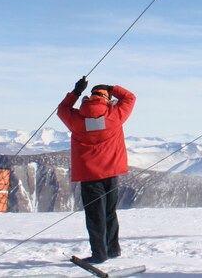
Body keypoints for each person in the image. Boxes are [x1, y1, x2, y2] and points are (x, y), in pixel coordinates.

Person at [57, 76, 137, 265]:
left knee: (95, 216)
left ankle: (99, 253)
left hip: (89, 175)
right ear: (107, 98)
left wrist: (75, 92)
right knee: (109, 212)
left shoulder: (77, 119)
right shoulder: (114, 116)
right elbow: (130, 98)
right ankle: (112, 249)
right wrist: (113, 87)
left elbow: (62, 110)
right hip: (111, 173)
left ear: (90, 97)